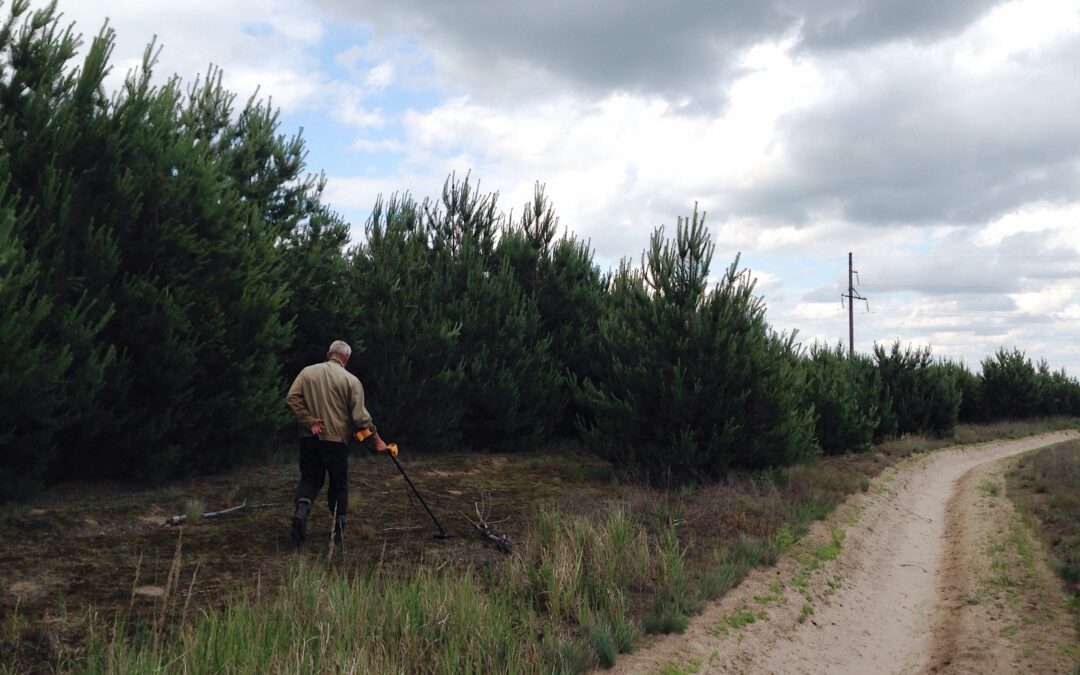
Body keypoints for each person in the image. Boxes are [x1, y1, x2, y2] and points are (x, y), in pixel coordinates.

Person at [285, 339, 388, 546]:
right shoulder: (351, 381)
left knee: (310, 479)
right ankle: (337, 532)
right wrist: (376, 440)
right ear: (346, 359)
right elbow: (360, 419)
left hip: (309, 437)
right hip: (336, 441)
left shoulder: (307, 372)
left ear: (328, 353)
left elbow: (292, 398)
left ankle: (302, 509)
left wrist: (309, 421)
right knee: (338, 484)